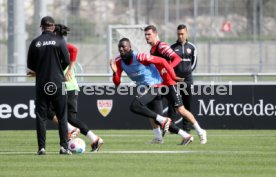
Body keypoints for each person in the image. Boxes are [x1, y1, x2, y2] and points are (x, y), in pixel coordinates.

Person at [110, 38, 194, 146]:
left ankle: (165, 127)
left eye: (124, 46)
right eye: (119, 47)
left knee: (135, 106)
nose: (121, 49)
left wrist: (173, 76)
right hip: (144, 88)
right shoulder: (118, 61)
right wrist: (114, 73)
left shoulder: (140, 57)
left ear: (130, 47)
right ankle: (185, 136)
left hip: (154, 85)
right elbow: (117, 83)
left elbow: (162, 61)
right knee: (157, 118)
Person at [144, 25, 207, 144]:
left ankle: (200, 131)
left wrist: (167, 69)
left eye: (149, 34)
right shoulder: (152, 50)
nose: (147, 37)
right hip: (161, 84)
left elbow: (176, 59)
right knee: (148, 107)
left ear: (156, 34)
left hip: (170, 83)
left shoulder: (161, 46)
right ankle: (158, 137)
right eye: (145, 35)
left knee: (181, 110)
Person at [47, 24, 104, 152]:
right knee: (70, 118)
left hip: (66, 86)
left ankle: (70, 129)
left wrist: (71, 68)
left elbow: (74, 49)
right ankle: (95, 139)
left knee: (47, 110)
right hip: (68, 86)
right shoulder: (54, 46)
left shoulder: (59, 45)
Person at [27, 16, 71, 155]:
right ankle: (64, 147)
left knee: (41, 116)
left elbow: (30, 65)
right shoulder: (60, 40)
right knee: (62, 115)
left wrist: (41, 69)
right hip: (59, 83)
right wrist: (58, 69)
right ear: (53, 27)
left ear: (41, 27)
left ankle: (42, 148)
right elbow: (67, 60)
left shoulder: (35, 42)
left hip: (42, 83)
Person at [170, 24, 198, 132]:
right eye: (178, 34)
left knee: (187, 105)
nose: (180, 36)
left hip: (187, 80)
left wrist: (185, 75)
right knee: (173, 104)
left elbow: (194, 64)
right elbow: (169, 64)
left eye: (182, 34)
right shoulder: (172, 48)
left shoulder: (192, 47)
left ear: (186, 33)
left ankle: (186, 129)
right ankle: (171, 128)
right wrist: (175, 76)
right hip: (174, 80)